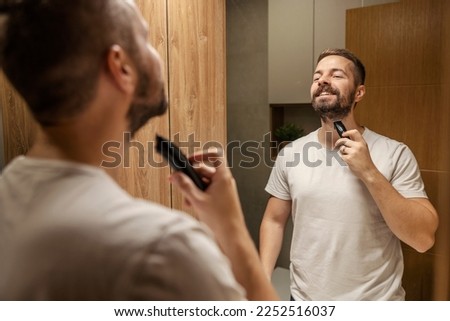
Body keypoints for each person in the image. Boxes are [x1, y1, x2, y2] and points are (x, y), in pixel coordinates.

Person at [0, 0, 278, 300]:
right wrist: (232, 229)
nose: (157, 53)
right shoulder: (162, 250)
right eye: (145, 39)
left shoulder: (9, 195)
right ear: (121, 67)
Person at [259, 48, 439, 300]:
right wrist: (261, 279)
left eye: (336, 75)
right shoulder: (291, 153)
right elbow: (274, 220)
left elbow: (422, 239)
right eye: (317, 76)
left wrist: (369, 172)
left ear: (359, 92)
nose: (322, 80)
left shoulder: (395, 153)